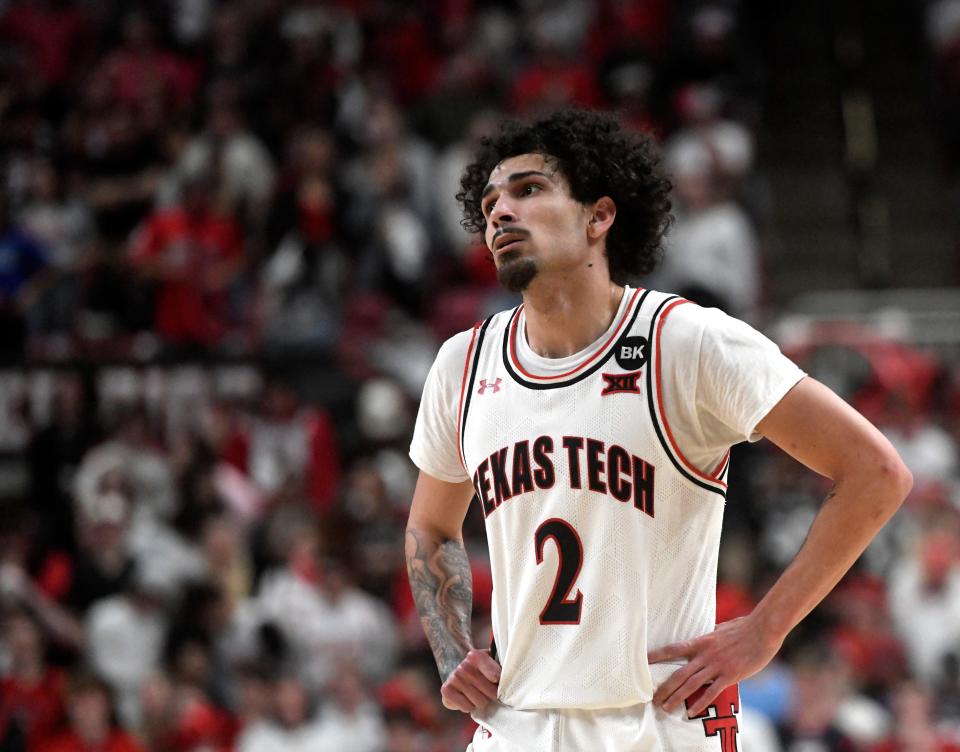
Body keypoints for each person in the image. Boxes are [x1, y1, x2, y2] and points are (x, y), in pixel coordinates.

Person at [404, 109, 913, 751]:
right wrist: (451, 650)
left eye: (528, 189)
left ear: (600, 215)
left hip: (660, 722)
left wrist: (766, 629)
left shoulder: (689, 342)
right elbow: (429, 524)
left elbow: (876, 472)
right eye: (490, 201)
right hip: (520, 724)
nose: (500, 211)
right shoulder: (463, 364)